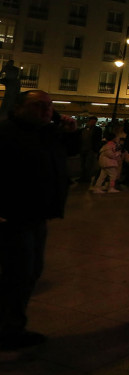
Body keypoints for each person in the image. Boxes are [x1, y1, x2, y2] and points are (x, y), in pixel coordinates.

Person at [0, 90, 75, 350]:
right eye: (39, 105)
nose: (47, 110)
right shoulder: (6, 134)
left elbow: (63, 159)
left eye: (50, 105)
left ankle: (12, 326)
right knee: (17, 274)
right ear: (19, 108)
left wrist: (69, 133)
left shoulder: (46, 133)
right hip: (13, 217)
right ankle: (8, 330)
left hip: (36, 216)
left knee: (30, 272)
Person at [93, 129, 125, 194]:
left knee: (102, 176)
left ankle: (97, 188)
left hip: (105, 163)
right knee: (113, 176)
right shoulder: (110, 146)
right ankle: (111, 188)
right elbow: (111, 155)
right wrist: (118, 153)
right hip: (109, 163)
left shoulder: (106, 145)